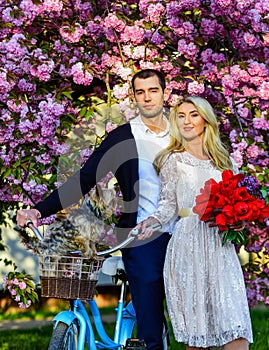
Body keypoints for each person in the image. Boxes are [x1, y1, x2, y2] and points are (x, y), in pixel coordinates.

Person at [16, 69, 174, 350]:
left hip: (186, 230)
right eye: (140, 92)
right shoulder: (122, 137)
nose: (147, 98)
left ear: (165, 93)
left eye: (153, 90)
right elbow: (83, 179)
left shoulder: (185, 130)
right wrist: (39, 211)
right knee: (149, 298)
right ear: (134, 97)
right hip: (141, 235)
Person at [133, 96, 253, 349]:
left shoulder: (225, 161)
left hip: (220, 244)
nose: (187, 121)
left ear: (205, 120)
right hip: (189, 242)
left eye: (193, 115)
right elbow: (167, 205)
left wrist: (240, 221)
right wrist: (151, 222)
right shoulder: (172, 160)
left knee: (234, 322)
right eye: (181, 116)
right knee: (198, 332)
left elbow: (237, 202)